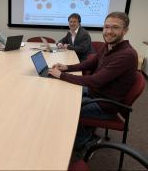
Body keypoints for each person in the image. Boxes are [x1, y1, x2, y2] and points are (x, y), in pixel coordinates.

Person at [49, 12, 138, 151]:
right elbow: (90, 64)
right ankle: (86, 132)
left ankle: (88, 140)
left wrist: (61, 75)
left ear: (125, 31)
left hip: (105, 104)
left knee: (66, 109)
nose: (109, 31)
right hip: (96, 93)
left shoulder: (126, 54)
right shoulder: (109, 46)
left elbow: (95, 81)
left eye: (115, 27)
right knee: (62, 96)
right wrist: (66, 68)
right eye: (106, 27)